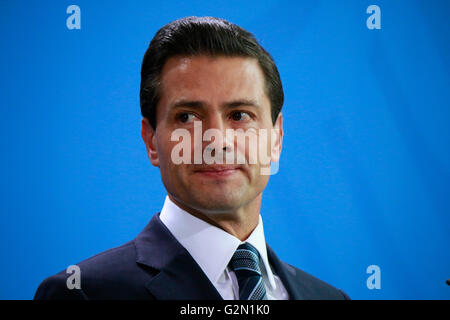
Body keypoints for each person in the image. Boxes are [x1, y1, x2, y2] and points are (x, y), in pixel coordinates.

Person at [34, 16, 349, 300]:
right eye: (187, 117)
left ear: (276, 138)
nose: (216, 140)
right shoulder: (82, 295)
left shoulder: (329, 298)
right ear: (151, 140)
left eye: (240, 115)